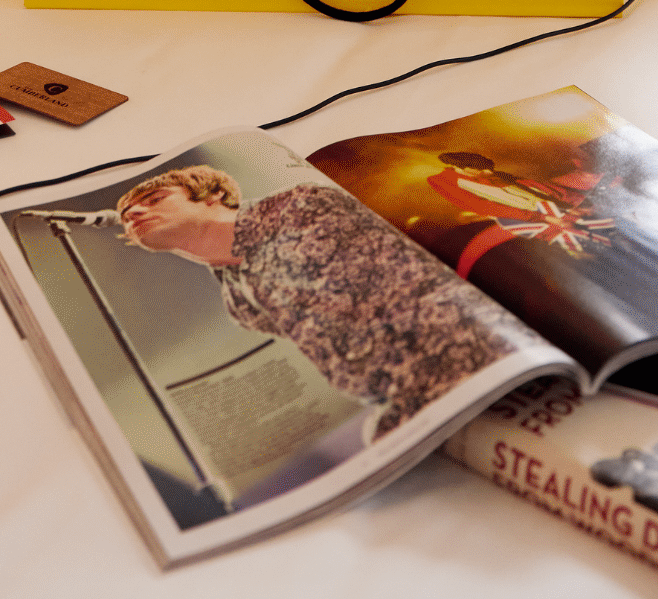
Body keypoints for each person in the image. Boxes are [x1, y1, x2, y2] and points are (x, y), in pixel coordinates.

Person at [113, 164, 532, 432]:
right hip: (409, 403)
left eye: (152, 200)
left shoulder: (301, 205)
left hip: (473, 360)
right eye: (127, 217)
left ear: (211, 196)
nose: (133, 215)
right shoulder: (236, 300)